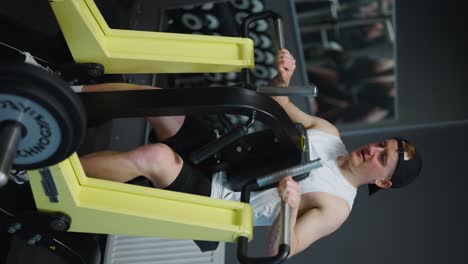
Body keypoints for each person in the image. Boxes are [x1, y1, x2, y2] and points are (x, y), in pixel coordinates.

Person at [26, 48, 423, 258]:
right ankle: (63, 95)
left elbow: (278, 250)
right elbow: (280, 105)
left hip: (215, 199)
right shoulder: (331, 133)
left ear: (383, 181)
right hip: (224, 152)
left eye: (382, 158)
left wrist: (289, 206)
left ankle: (43, 169)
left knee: (155, 158)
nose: (372, 149)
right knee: (157, 101)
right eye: (381, 144)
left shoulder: (337, 207)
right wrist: (281, 79)